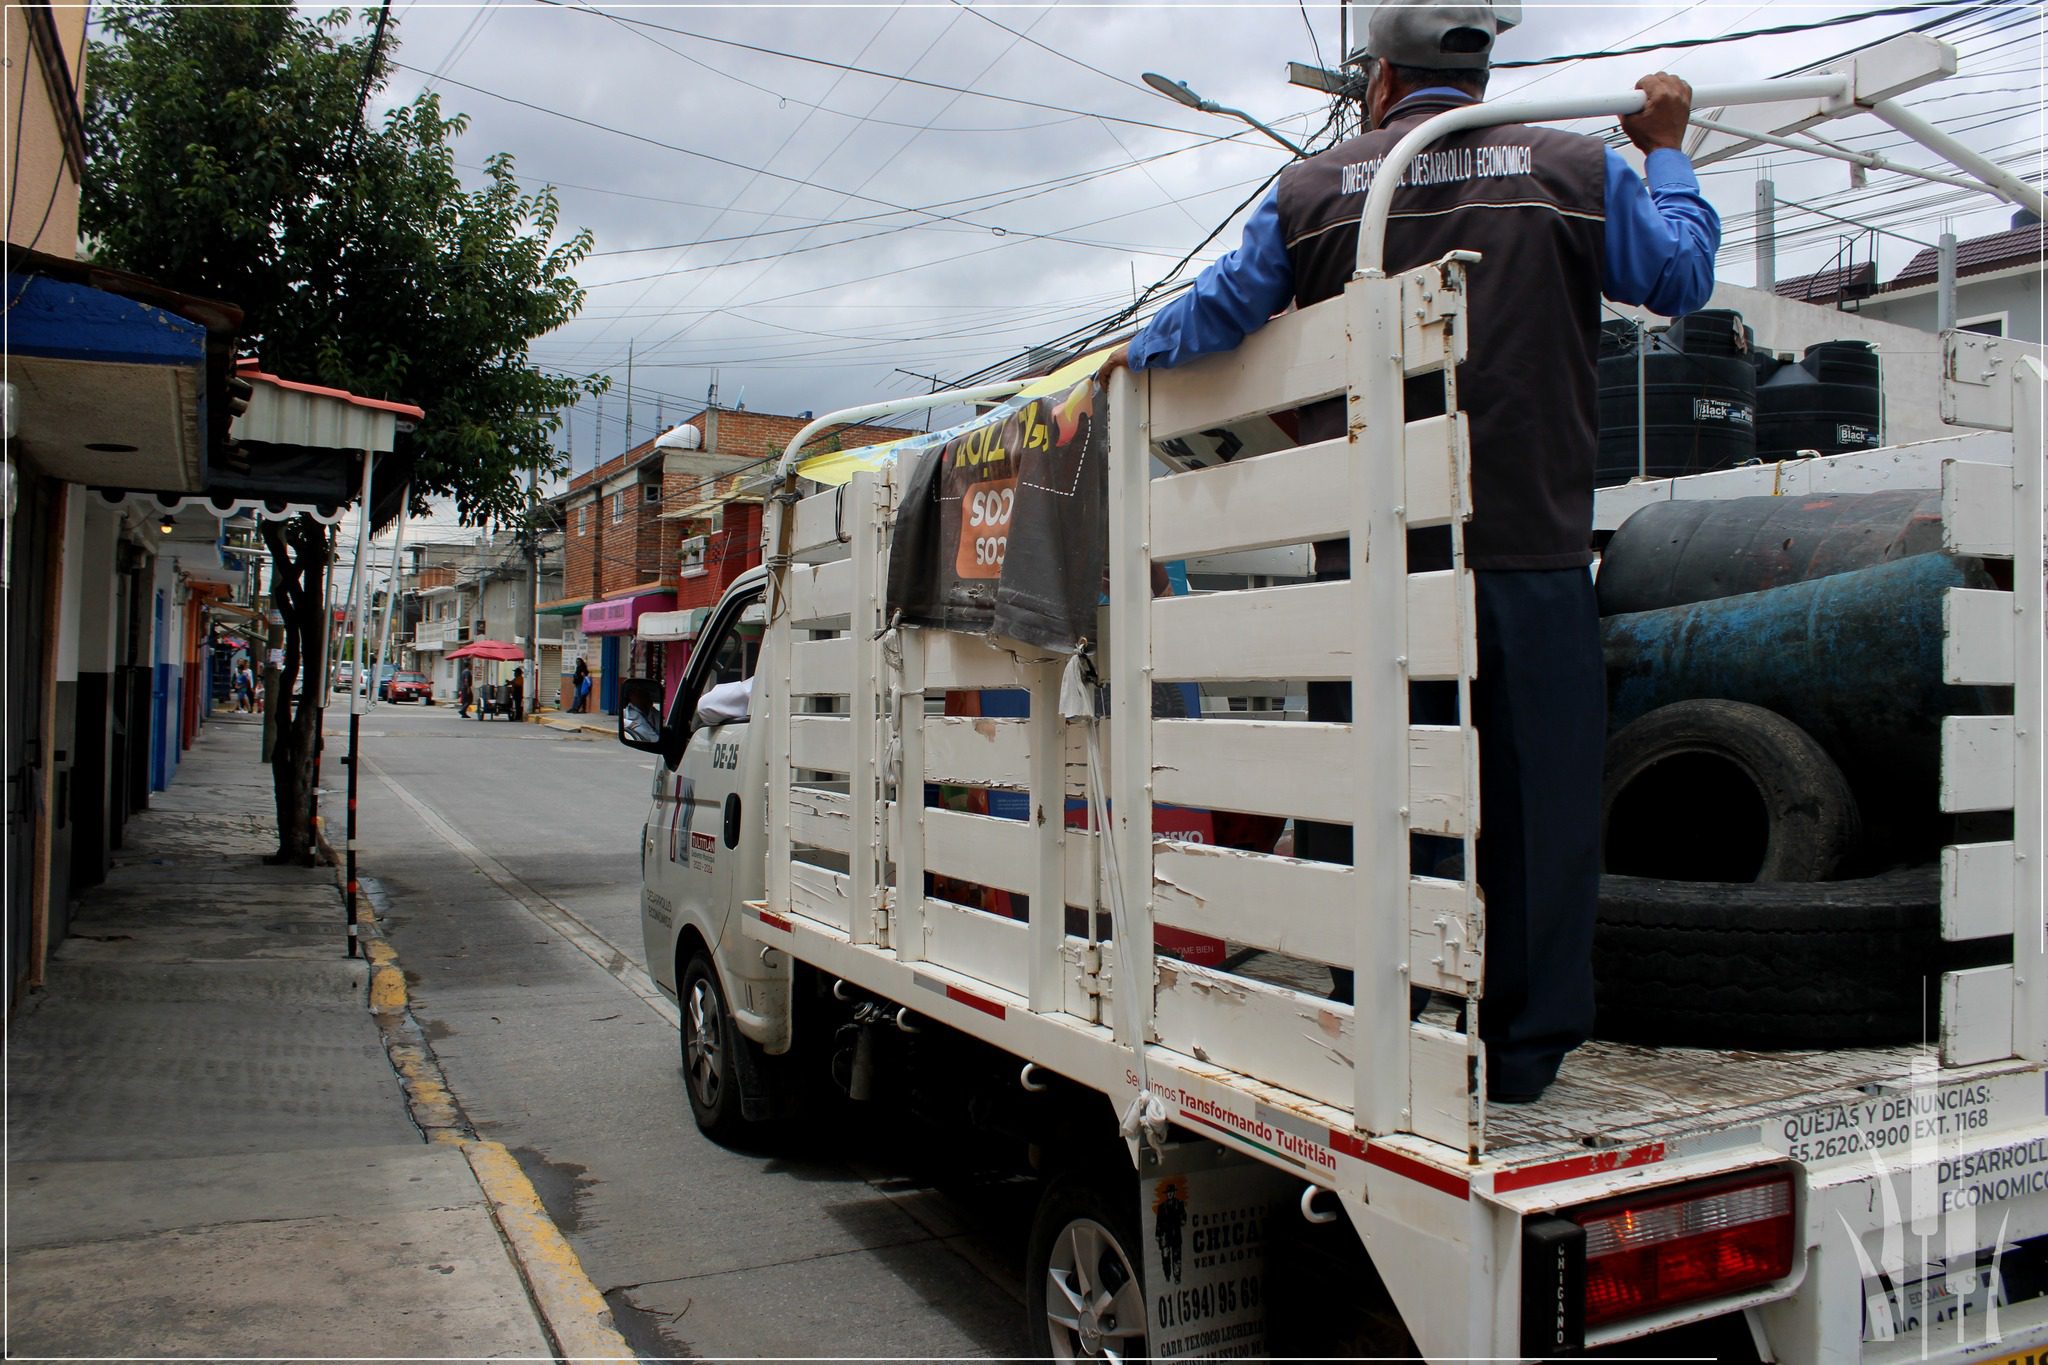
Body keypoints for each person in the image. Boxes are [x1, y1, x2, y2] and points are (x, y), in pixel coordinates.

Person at [1098, 2, 1719, 1104]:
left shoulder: (1311, 192)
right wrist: (1664, 152)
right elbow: (1674, 277)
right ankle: (1518, 1056)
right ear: (1477, 76)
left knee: (1370, 789)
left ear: (1378, 80)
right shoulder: (1576, 168)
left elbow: (1206, 322)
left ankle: (1365, 1017)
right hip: (1523, 553)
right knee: (1530, 807)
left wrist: (1119, 365)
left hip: (1371, 567)